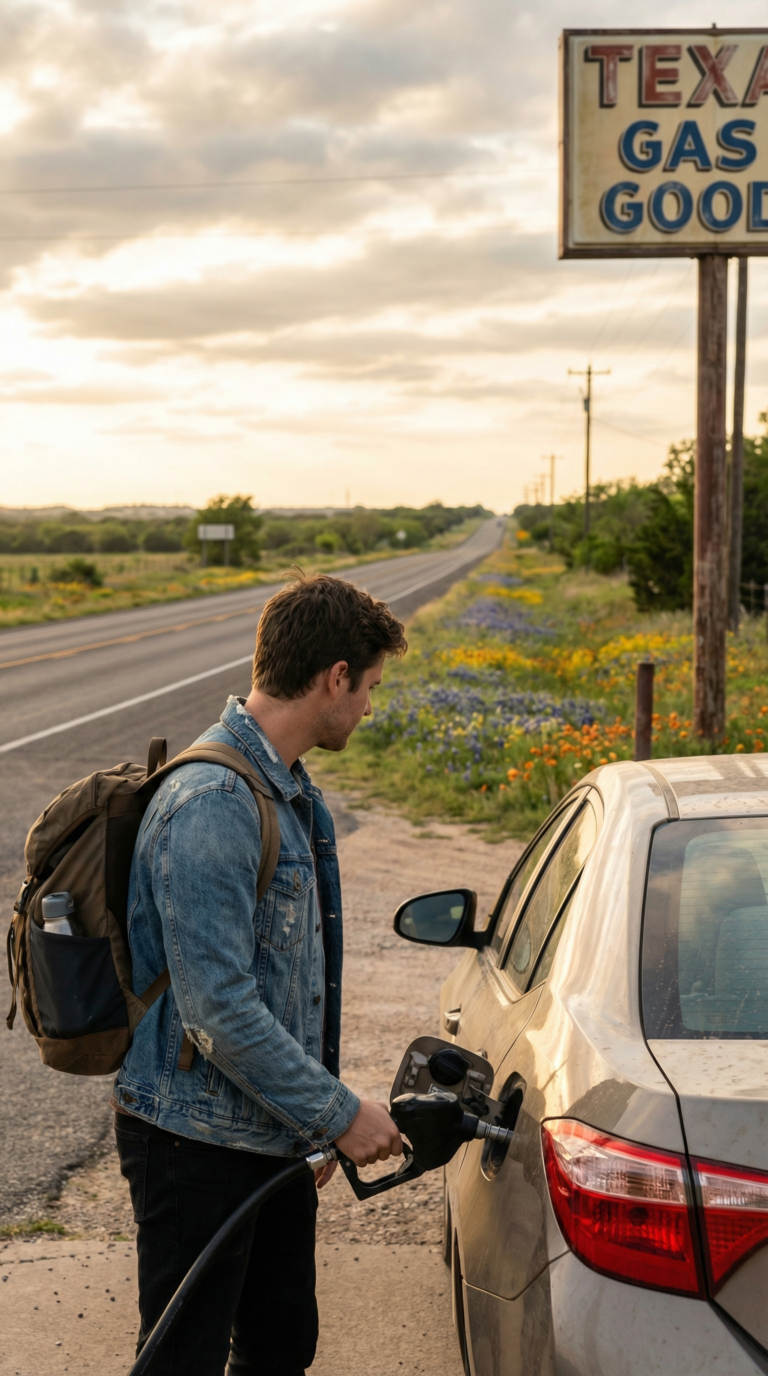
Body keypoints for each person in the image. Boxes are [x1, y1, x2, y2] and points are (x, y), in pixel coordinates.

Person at [112, 572, 408, 1376]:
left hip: (264, 1133)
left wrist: (304, 1125)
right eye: (371, 685)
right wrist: (337, 1112)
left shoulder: (286, 790)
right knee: (184, 1358)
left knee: (281, 1346)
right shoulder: (213, 802)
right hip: (193, 1142)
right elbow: (219, 1010)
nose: (371, 707)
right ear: (333, 677)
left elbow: (291, 984)